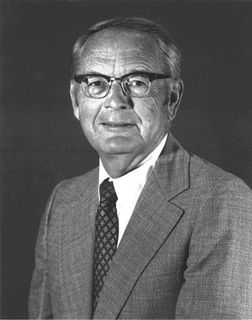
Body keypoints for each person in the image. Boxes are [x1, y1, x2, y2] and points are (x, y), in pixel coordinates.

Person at [28, 17, 252, 319]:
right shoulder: (64, 201)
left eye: (136, 82)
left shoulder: (221, 201)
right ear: (76, 100)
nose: (116, 101)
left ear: (171, 98)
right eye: (96, 83)